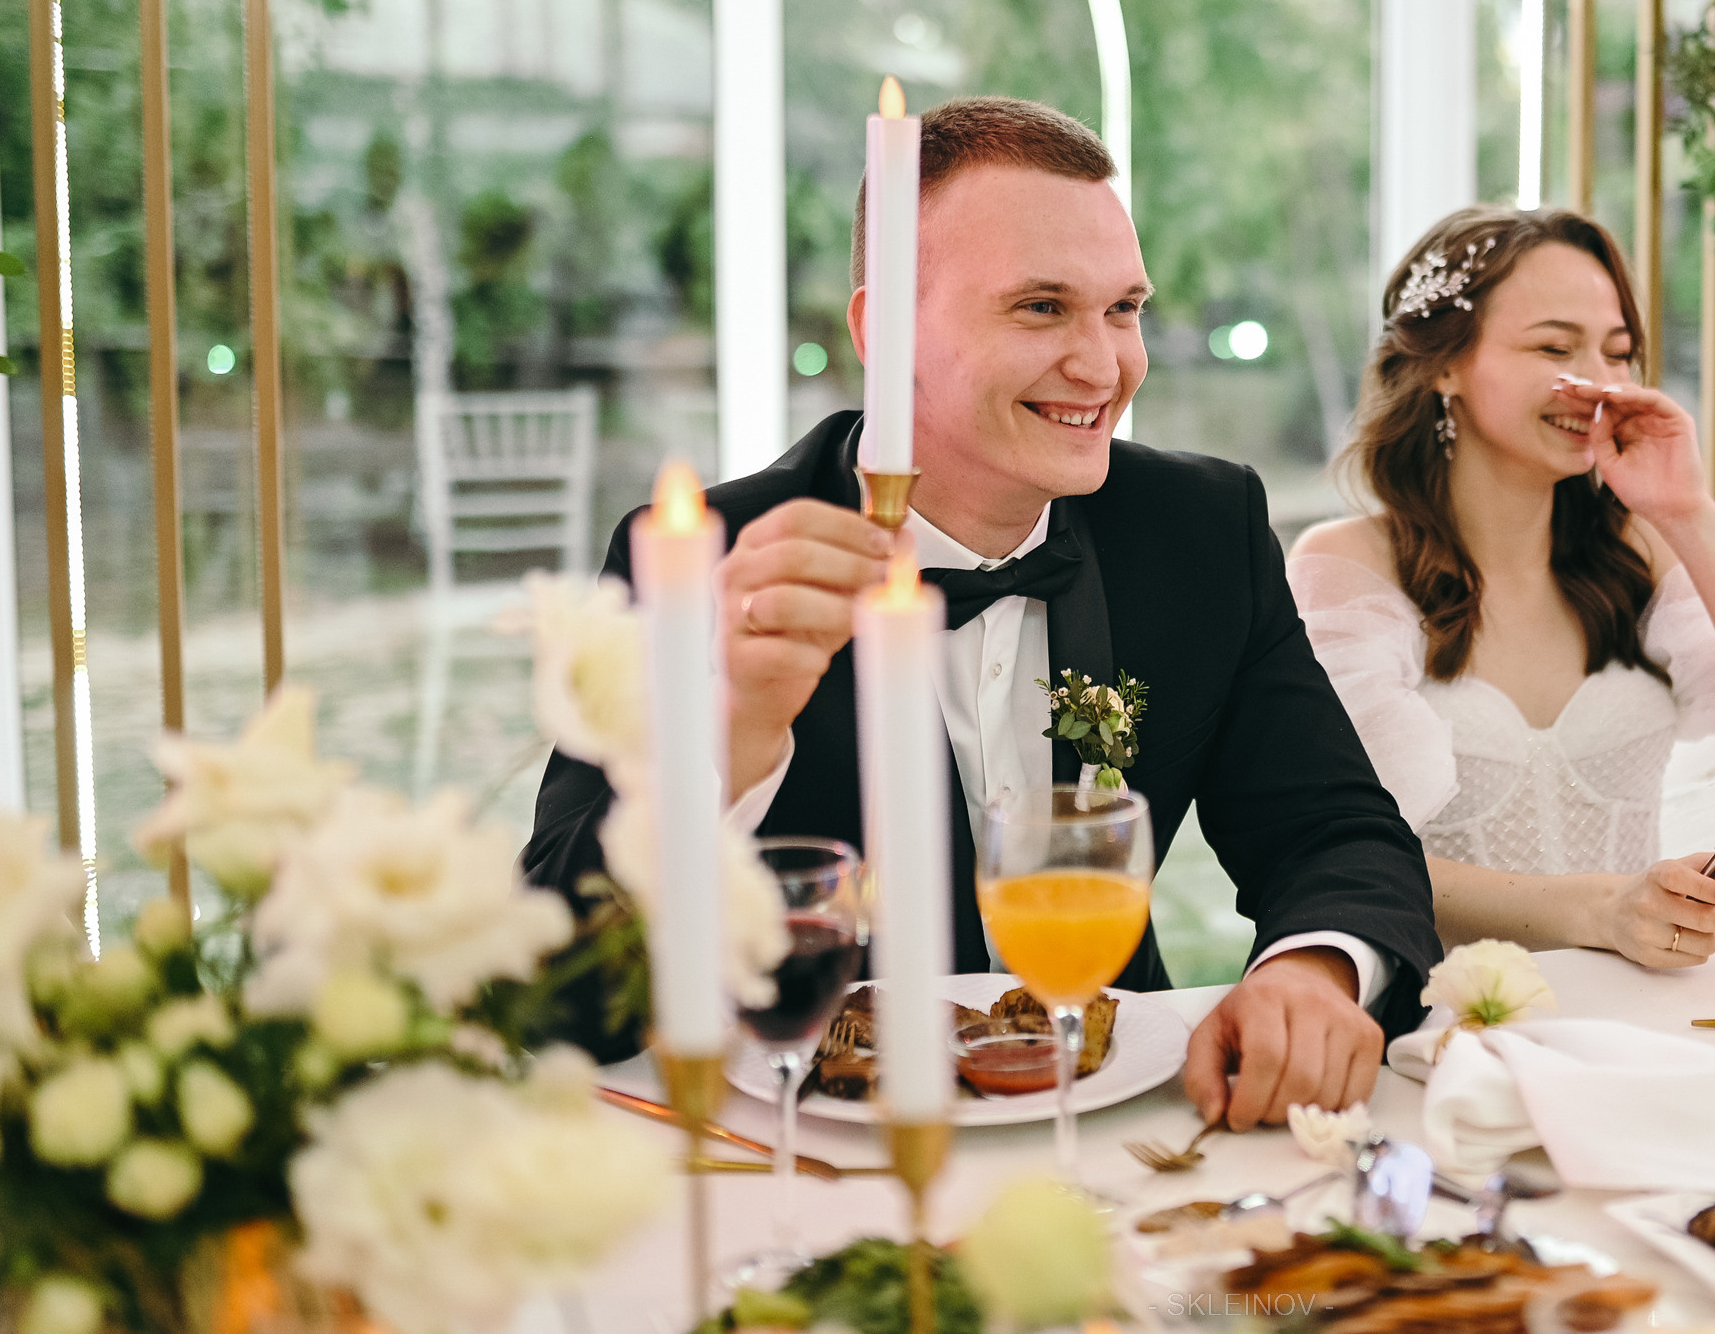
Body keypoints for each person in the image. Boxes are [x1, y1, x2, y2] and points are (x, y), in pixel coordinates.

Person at [522, 96, 1439, 1130]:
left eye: (1123, 308)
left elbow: (1333, 831)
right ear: (882, 331)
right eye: (1041, 307)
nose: (1104, 366)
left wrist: (1313, 974)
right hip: (807, 1143)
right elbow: (552, 987)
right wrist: (731, 732)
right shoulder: (706, 565)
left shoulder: (1200, 530)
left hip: (1110, 1123)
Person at [1288, 206, 1715, 973]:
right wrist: (1601, 910)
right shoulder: (1349, 566)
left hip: (1635, 1003)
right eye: (1555, 347)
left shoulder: (1641, 553)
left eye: (1618, 353)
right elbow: (1338, 848)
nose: (1597, 384)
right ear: (1445, 364)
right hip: (1440, 1010)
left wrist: (1691, 515)